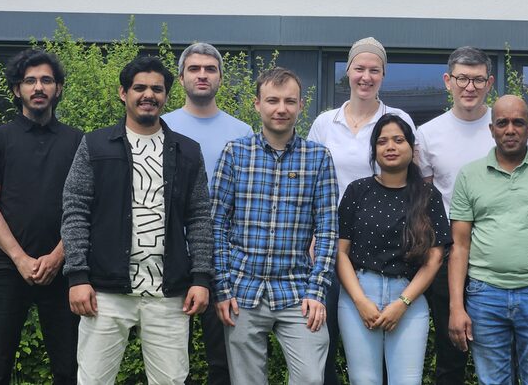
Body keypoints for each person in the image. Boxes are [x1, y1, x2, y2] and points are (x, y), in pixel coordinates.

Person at [61, 56, 213, 384]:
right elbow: (75, 211)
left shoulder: (188, 151)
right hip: (104, 291)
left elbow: (200, 216)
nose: (148, 94)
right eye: (139, 87)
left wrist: (201, 277)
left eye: (157, 89)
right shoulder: (95, 145)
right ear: (123, 92)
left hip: (169, 292)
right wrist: (77, 276)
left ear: (166, 95)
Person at [212, 67, 338, 385]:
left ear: (299, 106)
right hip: (242, 290)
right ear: (257, 104)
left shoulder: (319, 158)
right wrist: (223, 288)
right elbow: (216, 225)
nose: (281, 108)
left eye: (289, 101)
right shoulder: (235, 153)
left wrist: (318, 290)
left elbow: (327, 229)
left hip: (298, 290)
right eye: (272, 100)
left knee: (310, 377)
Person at [449, 95, 528, 385]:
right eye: (502, 123)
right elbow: (460, 245)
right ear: (491, 129)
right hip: (485, 296)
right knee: (492, 381)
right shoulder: (469, 175)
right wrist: (457, 307)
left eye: (518, 122)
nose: (510, 130)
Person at [308, 36, 414, 384]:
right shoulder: (326, 122)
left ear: (383, 75)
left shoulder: (396, 121)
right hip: (327, 245)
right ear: (347, 73)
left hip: (379, 249)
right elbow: (309, 181)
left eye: (374, 70)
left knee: (379, 345)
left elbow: (412, 180)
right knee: (324, 340)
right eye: (359, 69)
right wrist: (309, 235)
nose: (365, 77)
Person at [0, 49, 82, 385]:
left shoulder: (78, 141)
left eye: (46, 80)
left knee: (68, 367)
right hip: (7, 268)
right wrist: (21, 258)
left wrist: (56, 256)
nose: (38, 87)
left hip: (64, 269)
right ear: (16, 90)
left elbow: (86, 207)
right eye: (30, 81)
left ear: (58, 88)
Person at [336, 113, 450, 384]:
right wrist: (361, 301)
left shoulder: (427, 195)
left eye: (398, 140)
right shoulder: (356, 191)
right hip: (358, 296)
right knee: (364, 381)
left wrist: (403, 302)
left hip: (408, 298)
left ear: (412, 148)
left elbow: (434, 257)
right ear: (374, 150)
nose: (390, 146)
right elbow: (340, 251)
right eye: (382, 141)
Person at [163, 42, 253, 385]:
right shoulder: (162, 126)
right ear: (182, 77)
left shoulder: (243, 132)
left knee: (224, 361)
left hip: (225, 260)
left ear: (220, 77)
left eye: (210, 69)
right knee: (171, 359)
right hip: (170, 256)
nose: (202, 75)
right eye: (195, 69)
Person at [414, 46, 495, 383]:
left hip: (497, 253)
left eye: (477, 79)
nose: (470, 87)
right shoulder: (428, 134)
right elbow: (425, 201)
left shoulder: (506, 127)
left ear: (489, 83)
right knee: (451, 355)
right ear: (448, 81)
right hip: (449, 254)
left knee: (500, 351)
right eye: (462, 78)